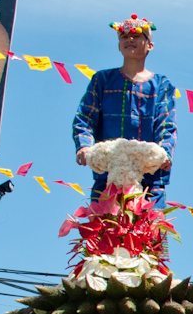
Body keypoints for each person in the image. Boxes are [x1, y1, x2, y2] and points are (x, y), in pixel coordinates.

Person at [72, 14, 177, 205]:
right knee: (104, 231)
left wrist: (165, 152)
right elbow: (84, 118)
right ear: (119, 45)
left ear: (149, 45)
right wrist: (84, 146)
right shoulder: (102, 80)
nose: (129, 39)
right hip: (109, 173)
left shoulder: (162, 84)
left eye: (136, 35)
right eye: (124, 37)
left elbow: (166, 124)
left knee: (152, 231)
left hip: (150, 179)